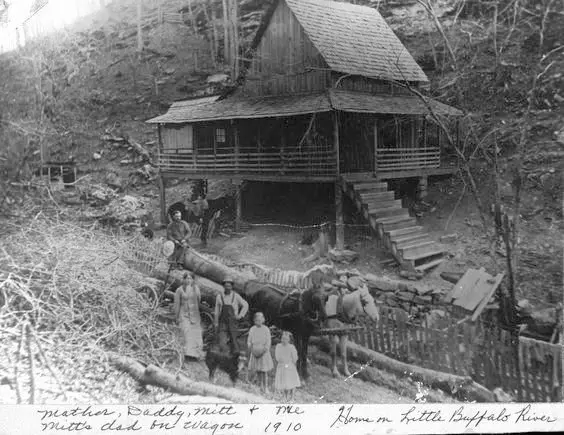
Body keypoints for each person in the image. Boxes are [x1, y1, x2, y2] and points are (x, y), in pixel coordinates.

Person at [214, 277, 249, 356]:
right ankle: (224, 356)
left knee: (234, 343)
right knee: (222, 343)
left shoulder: (236, 296)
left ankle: (234, 359)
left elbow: (245, 305)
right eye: (226, 286)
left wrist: (240, 315)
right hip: (222, 322)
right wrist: (216, 323)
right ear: (223, 286)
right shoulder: (219, 297)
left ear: (232, 287)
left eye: (229, 286)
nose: (227, 288)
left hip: (233, 322)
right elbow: (216, 311)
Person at [174, 272, 204, 362]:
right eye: (186, 278)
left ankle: (195, 355)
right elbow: (177, 304)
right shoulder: (179, 290)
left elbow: (198, 300)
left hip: (194, 314)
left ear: (193, 280)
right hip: (183, 314)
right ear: (183, 279)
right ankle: (186, 353)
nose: (188, 280)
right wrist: (177, 317)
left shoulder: (196, 289)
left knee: (197, 333)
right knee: (186, 331)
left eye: (190, 278)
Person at [247, 312, 274, 393]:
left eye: (260, 320)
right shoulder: (252, 329)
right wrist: (251, 348)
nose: (258, 321)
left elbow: (268, 342)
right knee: (258, 370)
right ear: (254, 321)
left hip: (263, 353)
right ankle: (260, 386)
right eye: (257, 320)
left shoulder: (266, 329)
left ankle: (266, 387)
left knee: (264, 371)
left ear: (263, 320)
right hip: (254, 352)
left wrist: (264, 350)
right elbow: (249, 341)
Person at [274, 331, 300, 401]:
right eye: (282, 339)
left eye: (286, 339)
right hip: (281, 365)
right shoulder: (279, 346)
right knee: (283, 382)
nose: (283, 340)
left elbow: (295, 358)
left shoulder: (291, 347)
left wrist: (290, 363)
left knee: (291, 382)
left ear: (289, 340)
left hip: (290, 365)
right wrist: (281, 361)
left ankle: (292, 398)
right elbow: (277, 356)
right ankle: (284, 396)